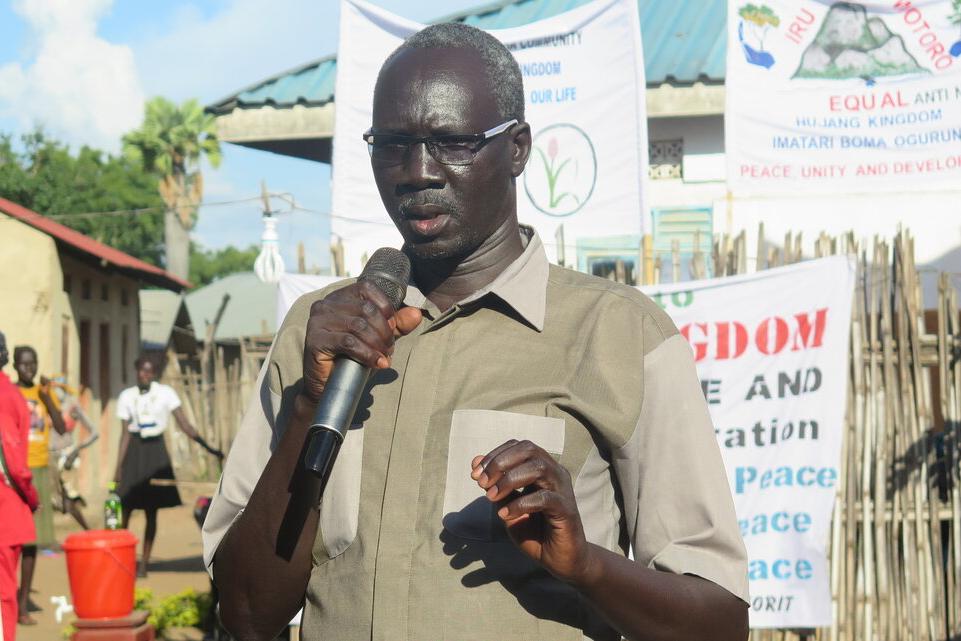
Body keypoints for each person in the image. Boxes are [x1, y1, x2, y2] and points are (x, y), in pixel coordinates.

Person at [204, 22, 749, 641]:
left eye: (452, 143)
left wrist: (588, 566)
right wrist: (310, 404)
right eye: (393, 144)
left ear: (517, 149)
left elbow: (720, 623)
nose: (417, 171)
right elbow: (245, 615)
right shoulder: (322, 331)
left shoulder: (620, 335)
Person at [116, 355, 223, 578]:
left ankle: (144, 565)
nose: (144, 375)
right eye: (141, 370)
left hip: (156, 453)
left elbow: (185, 425)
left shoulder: (166, 393)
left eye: (149, 371)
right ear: (136, 370)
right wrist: (118, 468)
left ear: (155, 374)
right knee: (125, 508)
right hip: (134, 452)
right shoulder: (126, 396)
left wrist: (209, 448)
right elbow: (125, 434)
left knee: (151, 511)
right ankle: (121, 559)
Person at [12, 345, 65, 626]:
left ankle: (22, 606)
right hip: (14, 472)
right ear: (14, 365)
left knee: (32, 542)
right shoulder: (9, 392)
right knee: (11, 539)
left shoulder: (43, 394)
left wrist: (47, 398)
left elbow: (61, 428)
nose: (28, 369)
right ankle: (8, 599)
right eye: (23, 364)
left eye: (32, 363)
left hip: (40, 470)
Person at [0, 332, 39, 641]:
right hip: (6, 504)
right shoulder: (9, 396)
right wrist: (31, 497)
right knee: (3, 592)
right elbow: (14, 462)